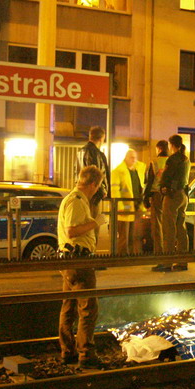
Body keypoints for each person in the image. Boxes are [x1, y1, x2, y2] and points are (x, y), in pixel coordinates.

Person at [58, 165, 104, 368]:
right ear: (93, 184)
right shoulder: (77, 201)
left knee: (68, 307)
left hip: (69, 261)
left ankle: (67, 351)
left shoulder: (72, 198)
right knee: (88, 308)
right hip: (79, 261)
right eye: (99, 186)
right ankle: (86, 354)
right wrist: (96, 222)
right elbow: (71, 230)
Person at [153, 134, 190, 272]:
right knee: (181, 228)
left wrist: (164, 188)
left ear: (171, 145)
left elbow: (166, 178)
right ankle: (182, 261)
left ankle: (167, 262)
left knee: (168, 229)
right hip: (183, 195)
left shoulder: (173, 159)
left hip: (172, 195)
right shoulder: (186, 159)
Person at [111, 149, 146, 255]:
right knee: (124, 236)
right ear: (125, 158)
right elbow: (115, 190)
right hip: (124, 208)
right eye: (131, 157)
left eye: (135, 157)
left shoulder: (138, 169)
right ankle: (122, 257)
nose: (134, 159)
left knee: (135, 235)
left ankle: (133, 255)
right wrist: (119, 206)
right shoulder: (118, 171)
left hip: (137, 207)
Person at [142, 140, 169, 254]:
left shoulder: (154, 162)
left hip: (157, 195)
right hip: (168, 196)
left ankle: (159, 251)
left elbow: (149, 181)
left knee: (157, 226)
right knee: (168, 224)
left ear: (159, 149)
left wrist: (146, 197)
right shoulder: (170, 161)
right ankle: (169, 251)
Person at [77, 126, 109, 216]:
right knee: (92, 222)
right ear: (102, 138)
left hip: (81, 193)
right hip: (93, 195)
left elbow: (76, 172)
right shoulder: (97, 154)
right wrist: (102, 191)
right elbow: (97, 174)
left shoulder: (80, 152)